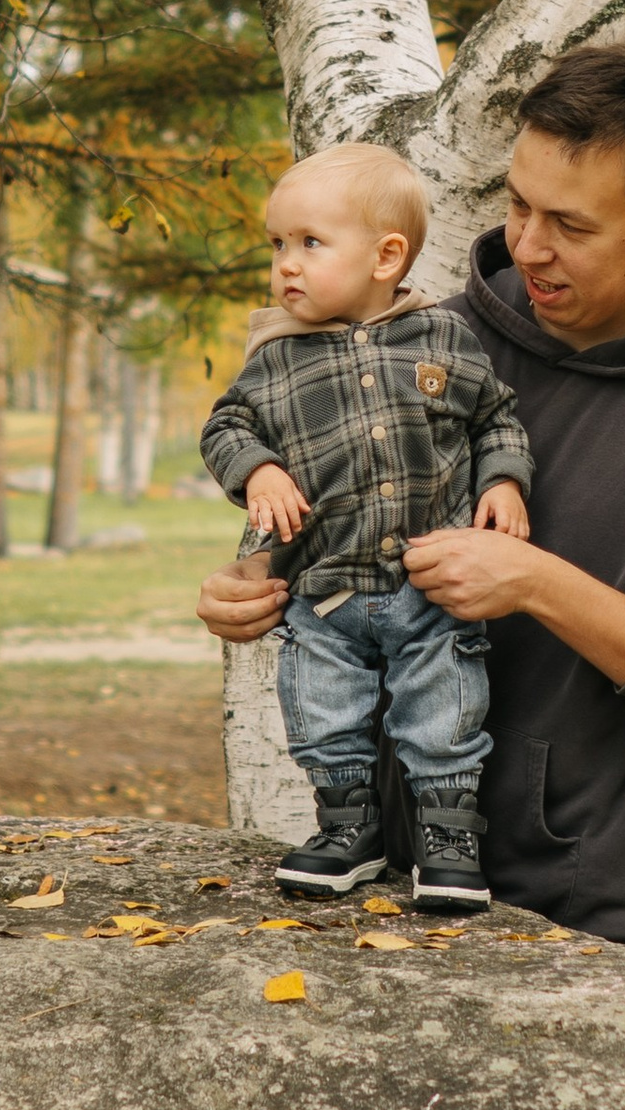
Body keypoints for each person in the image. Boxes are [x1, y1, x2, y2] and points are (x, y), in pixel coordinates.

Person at [197, 50, 625, 958]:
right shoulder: (427, 341)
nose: (529, 246)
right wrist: (258, 568)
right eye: (519, 205)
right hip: (409, 901)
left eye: (570, 225)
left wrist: (539, 583)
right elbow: (329, 489)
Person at [200, 140, 534, 911]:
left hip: (431, 581)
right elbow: (226, 427)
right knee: (322, 711)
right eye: (277, 244)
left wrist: (506, 484)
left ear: (386, 257)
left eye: (310, 244)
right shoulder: (273, 360)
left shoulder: (442, 340)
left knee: (444, 709)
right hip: (326, 591)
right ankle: (346, 829)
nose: (286, 264)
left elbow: (496, 420)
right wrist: (259, 470)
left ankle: (448, 840)